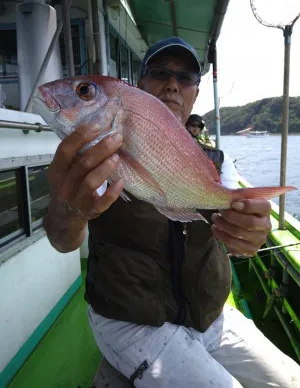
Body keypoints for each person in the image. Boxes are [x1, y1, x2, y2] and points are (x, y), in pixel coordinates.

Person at [43, 37, 300, 387]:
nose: (172, 85)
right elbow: (63, 239)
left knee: (288, 380)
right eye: (159, 73)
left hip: (209, 315)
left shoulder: (214, 161)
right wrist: (69, 206)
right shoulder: (96, 157)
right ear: (139, 87)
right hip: (130, 319)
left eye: (186, 78)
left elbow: (237, 232)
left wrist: (248, 234)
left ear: (195, 92)